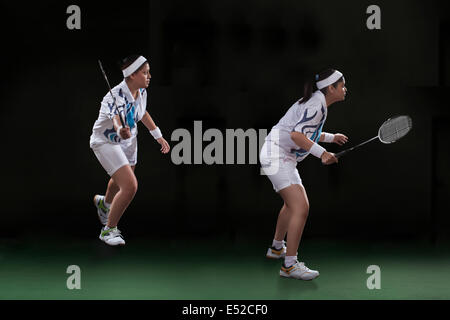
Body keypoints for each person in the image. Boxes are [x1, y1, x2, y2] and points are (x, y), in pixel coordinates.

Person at [260, 69, 348, 280]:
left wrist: (330, 137)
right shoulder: (315, 105)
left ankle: (276, 248)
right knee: (301, 206)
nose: (346, 89)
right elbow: (296, 135)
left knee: (291, 205)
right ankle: (289, 266)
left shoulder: (318, 103)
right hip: (277, 155)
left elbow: (306, 131)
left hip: (280, 155)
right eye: (343, 85)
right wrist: (323, 153)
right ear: (331, 88)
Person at [89, 55, 170, 246]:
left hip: (128, 142)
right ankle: (108, 230)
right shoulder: (113, 96)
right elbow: (116, 118)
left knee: (121, 180)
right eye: (145, 73)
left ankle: (104, 204)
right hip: (106, 142)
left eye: (148, 72)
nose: (149, 76)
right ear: (132, 75)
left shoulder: (141, 92)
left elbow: (142, 113)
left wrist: (157, 135)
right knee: (130, 185)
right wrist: (119, 130)